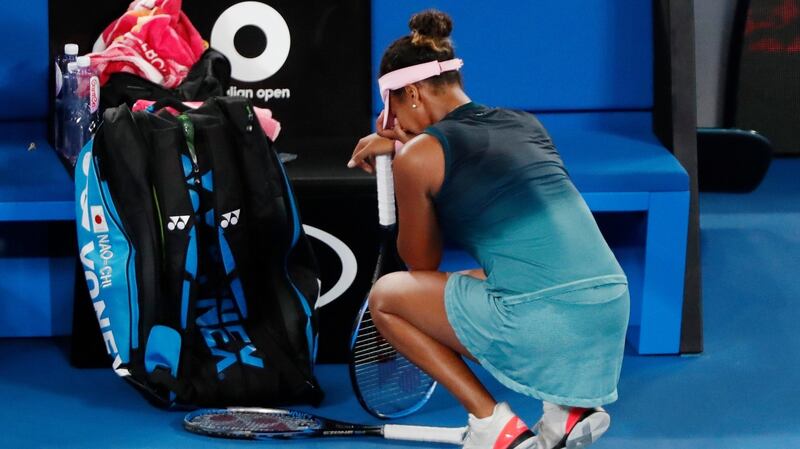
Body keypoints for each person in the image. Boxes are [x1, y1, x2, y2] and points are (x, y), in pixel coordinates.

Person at [348, 9, 630, 449]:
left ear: (413, 94)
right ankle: (569, 409)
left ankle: (493, 426)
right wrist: (407, 142)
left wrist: (405, 157)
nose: (392, 118)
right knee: (491, 275)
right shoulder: (524, 123)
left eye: (392, 105)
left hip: (552, 323)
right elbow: (466, 150)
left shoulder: (418, 157)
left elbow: (421, 263)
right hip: (608, 310)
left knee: (387, 297)